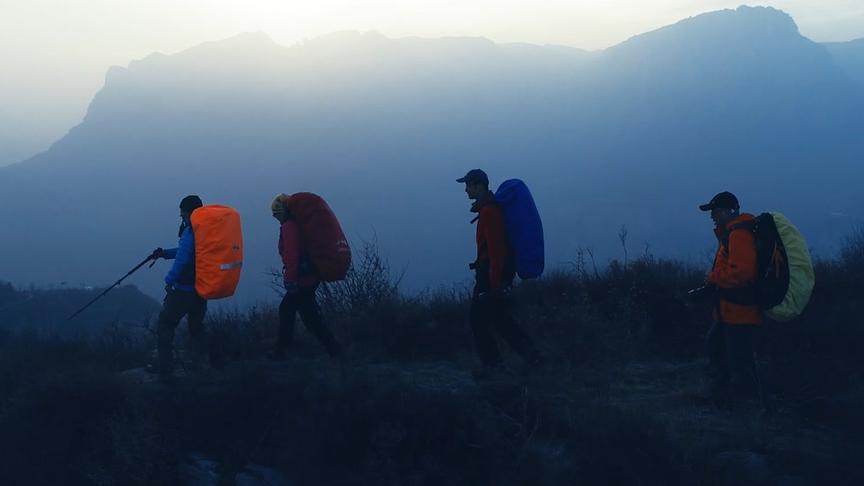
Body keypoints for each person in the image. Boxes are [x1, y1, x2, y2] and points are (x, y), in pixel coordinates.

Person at [457, 169, 540, 376]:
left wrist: (494, 284)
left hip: (491, 275)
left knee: (478, 320)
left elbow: (496, 249)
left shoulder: (489, 212)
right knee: (500, 320)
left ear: (479, 185)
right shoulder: (487, 209)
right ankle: (534, 357)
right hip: (494, 273)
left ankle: (494, 368)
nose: (466, 189)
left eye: (468, 185)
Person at [697, 191, 767, 411]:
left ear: (729, 211)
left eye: (715, 211)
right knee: (718, 352)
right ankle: (724, 404)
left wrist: (712, 278)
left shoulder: (739, 234)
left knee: (740, 362)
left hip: (740, 312)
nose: (712, 217)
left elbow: (742, 273)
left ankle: (750, 409)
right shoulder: (731, 233)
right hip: (728, 311)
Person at [269, 194, 342, 359]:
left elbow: (291, 255)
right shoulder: (299, 224)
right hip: (311, 276)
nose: (276, 219)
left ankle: (282, 351)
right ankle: (334, 349)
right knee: (309, 315)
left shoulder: (289, 226)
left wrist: (290, 279)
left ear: (281, 212)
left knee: (287, 309)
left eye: (276, 215)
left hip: (302, 279)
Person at [148, 195, 212, 376]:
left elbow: (184, 257)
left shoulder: (191, 230)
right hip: (202, 287)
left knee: (166, 324)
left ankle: (166, 370)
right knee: (196, 326)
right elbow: (189, 252)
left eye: (183, 214)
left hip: (184, 289)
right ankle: (202, 365)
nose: (181, 217)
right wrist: (165, 254)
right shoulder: (207, 229)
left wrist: (169, 280)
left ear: (189, 212)